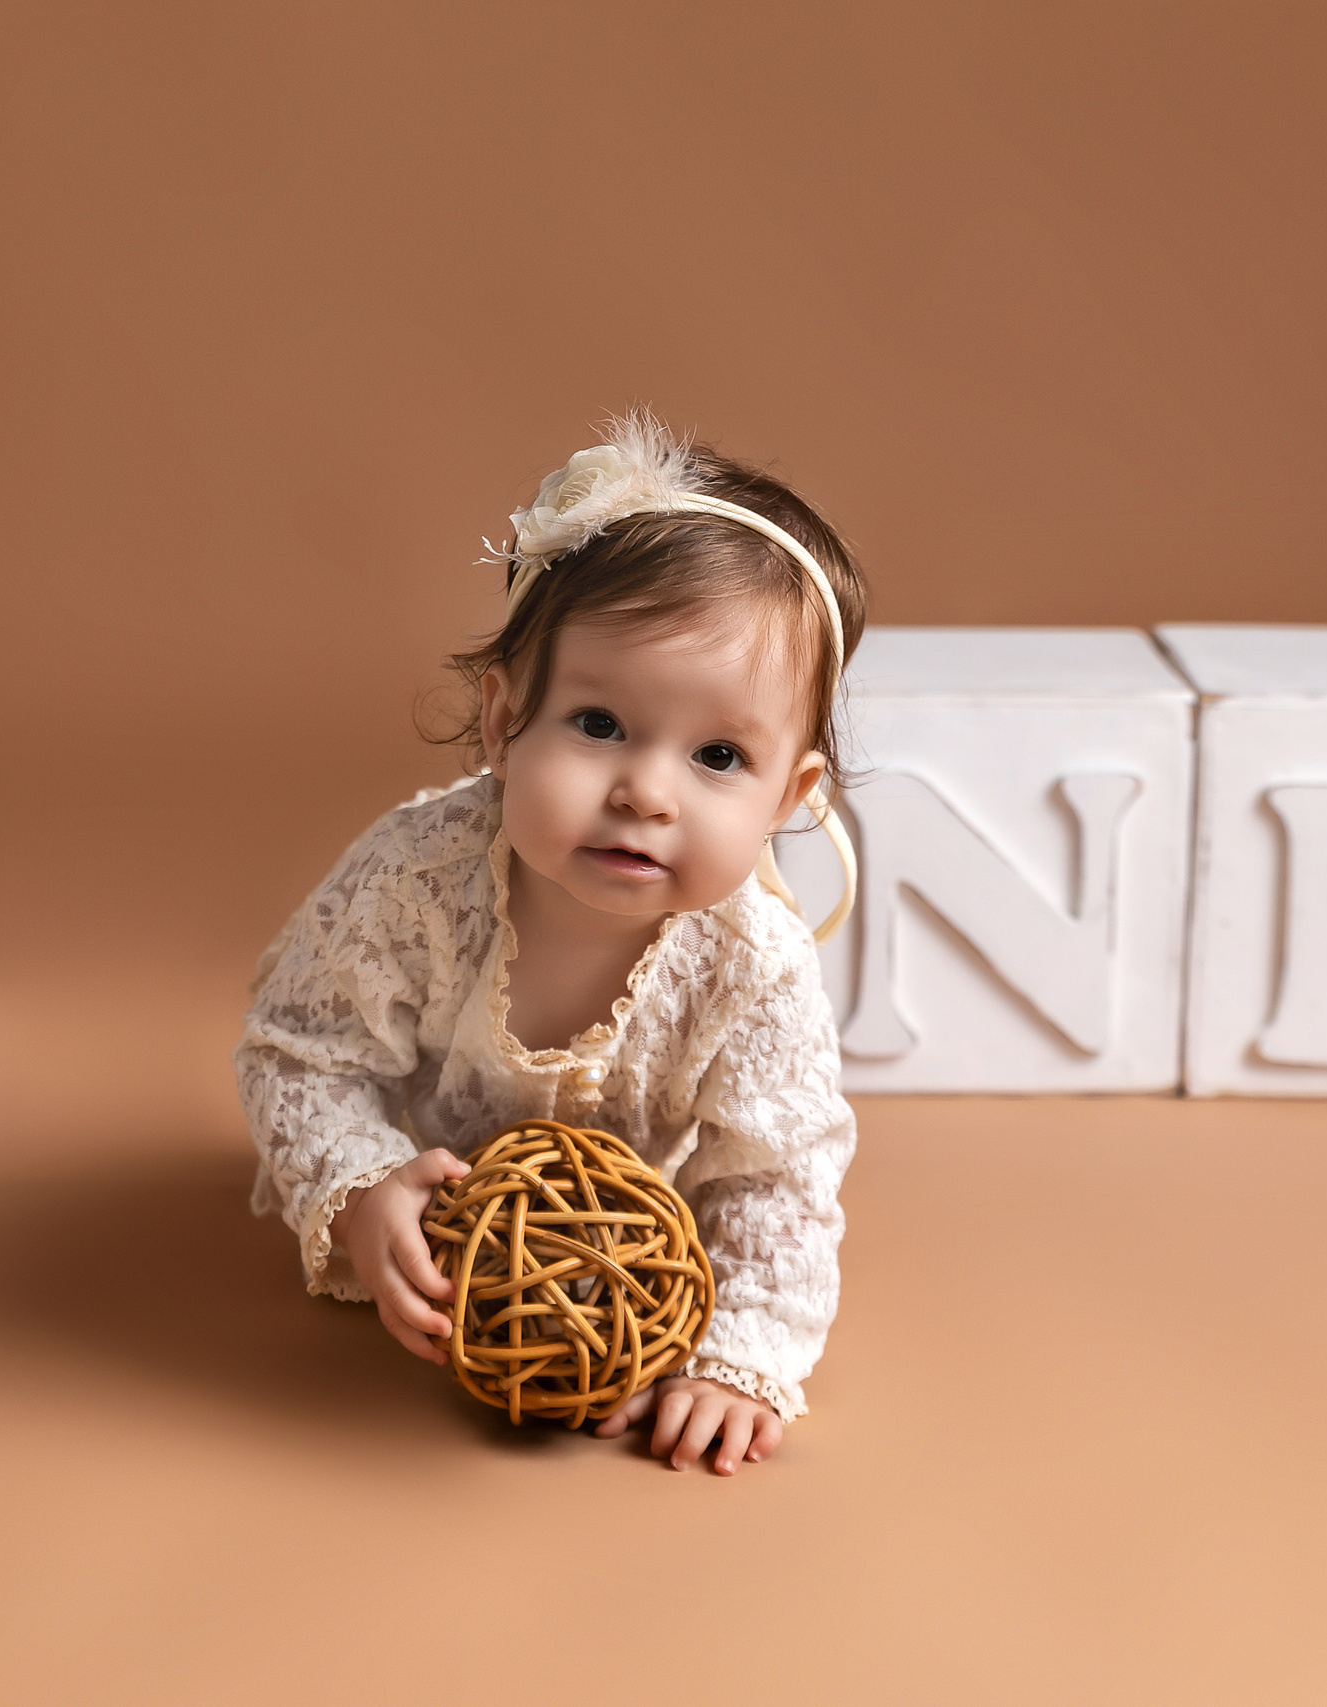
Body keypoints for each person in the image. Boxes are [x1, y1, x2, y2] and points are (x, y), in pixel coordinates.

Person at [234, 412, 862, 1475]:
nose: (645, 793)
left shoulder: (753, 962)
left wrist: (739, 1353)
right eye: (599, 725)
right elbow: (299, 1051)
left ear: (790, 797)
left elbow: (778, 1176)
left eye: (716, 754)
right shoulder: (419, 880)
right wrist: (361, 1188)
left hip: (612, 1258)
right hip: (447, 1233)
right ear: (502, 721)